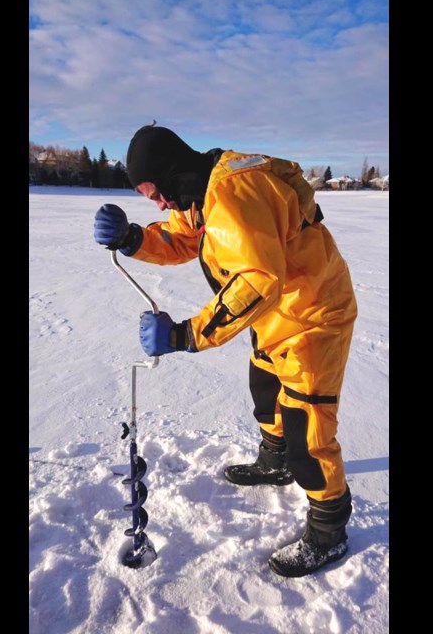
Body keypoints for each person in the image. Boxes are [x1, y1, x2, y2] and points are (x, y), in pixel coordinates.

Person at [93, 125, 357, 577]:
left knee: (305, 428)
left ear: (171, 172)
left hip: (312, 316)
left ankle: (328, 529)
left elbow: (257, 280)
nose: (156, 203)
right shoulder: (203, 188)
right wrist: (133, 238)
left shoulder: (235, 191)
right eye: (145, 195)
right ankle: (275, 464)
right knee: (264, 389)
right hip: (277, 315)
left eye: (153, 191)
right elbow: (184, 237)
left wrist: (186, 335)